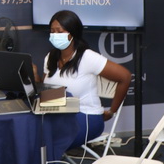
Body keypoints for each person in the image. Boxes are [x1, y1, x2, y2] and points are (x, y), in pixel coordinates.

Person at [40, 10, 132, 150]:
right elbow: (46, 90)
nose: (55, 35)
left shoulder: (87, 57)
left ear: (73, 33)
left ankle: (48, 163)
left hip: (87, 116)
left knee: (48, 142)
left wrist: (111, 111)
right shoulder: (50, 57)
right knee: (33, 134)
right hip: (58, 113)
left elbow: (125, 77)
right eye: (52, 32)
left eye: (59, 31)